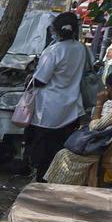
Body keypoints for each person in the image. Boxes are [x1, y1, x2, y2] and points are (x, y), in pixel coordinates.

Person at [26, 11, 89, 181]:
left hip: (48, 110)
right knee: (61, 150)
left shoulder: (53, 51)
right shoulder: (81, 49)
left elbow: (41, 79)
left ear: (55, 30)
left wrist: (29, 81)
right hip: (71, 108)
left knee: (43, 152)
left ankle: (40, 182)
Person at [44, 72, 112, 185]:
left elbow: (94, 127)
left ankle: (59, 189)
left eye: (108, 87)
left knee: (64, 155)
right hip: (105, 143)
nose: (106, 90)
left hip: (104, 148)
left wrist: (99, 103)